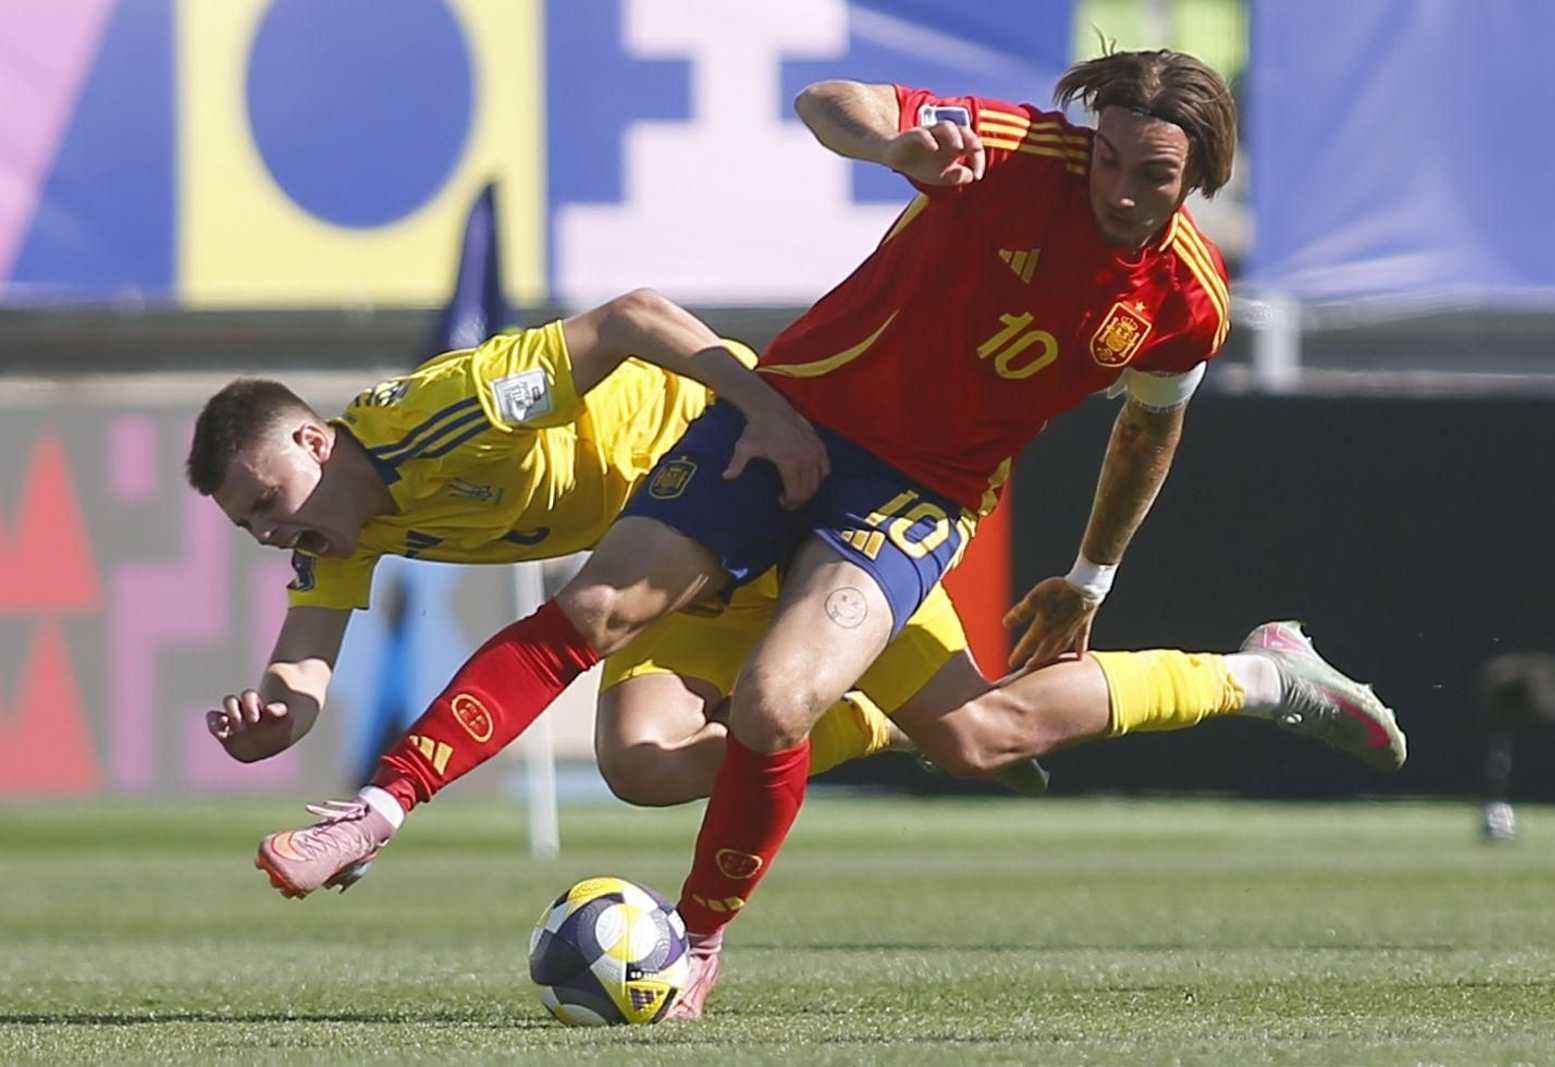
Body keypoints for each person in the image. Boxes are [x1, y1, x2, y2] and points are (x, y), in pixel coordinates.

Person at [249, 50, 1405, 1022]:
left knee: (865, 717)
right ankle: (376, 807)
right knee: (612, 663)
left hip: (912, 497)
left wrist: (1087, 574)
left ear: (1198, 174)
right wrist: (892, 149)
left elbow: (1145, 439)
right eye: (1105, 154)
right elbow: (832, 102)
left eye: (1148, 173)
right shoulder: (1019, 152)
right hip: (785, 420)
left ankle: (700, 938)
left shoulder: (1187, 299)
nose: (1114, 185)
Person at [192, 290, 1049, 820]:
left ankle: (1190, 679)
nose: (270, 532)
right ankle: (868, 724)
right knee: (640, 763)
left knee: (978, 733)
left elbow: (632, 316)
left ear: (313, 440)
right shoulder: (335, 533)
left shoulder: (450, 411)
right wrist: (276, 718)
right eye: (251, 525)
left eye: (268, 502)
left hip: (746, 465)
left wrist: (768, 410)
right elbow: (302, 670)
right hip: (657, 551)